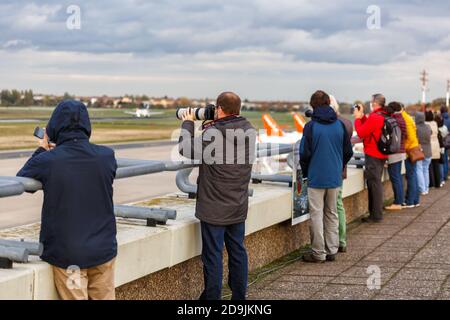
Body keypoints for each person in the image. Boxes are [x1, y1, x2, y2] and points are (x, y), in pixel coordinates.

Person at [17, 100, 118, 300]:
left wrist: (42, 148)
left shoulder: (49, 161)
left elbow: (22, 178)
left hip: (69, 255)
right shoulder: (107, 156)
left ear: (54, 127)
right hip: (104, 250)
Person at [178, 92, 256, 300]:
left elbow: (185, 148)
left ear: (219, 109)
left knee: (213, 256)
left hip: (214, 206)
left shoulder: (213, 134)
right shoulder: (249, 130)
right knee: (237, 252)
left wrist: (188, 123)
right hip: (237, 203)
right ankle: (239, 298)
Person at [300, 91, 353, 263]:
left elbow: (304, 154)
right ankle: (332, 249)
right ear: (329, 103)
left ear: (313, 105)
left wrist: (307, 172)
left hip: (316, 177)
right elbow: (348, 152)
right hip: (334, 177)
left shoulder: (311, 127)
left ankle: (318, 252)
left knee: (316, 215)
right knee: (332, 213)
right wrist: (338, 166)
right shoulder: (339, 125)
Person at [353, 94, 388, 222]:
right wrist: (362, 118)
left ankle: (376, 215)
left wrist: (357, 118)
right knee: (375, 183)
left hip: (373, 154)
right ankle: (375, 213)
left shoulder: (375, 117)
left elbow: (361, 133)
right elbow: (369, 128)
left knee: (374, 184)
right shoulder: (383, 114)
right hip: (381, 153)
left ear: (374, 103)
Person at [329, 95, 353, 253]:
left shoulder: (334, 124)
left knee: (329, 209)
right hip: (341, 169)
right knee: (339, 205)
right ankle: (342, 240)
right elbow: (347, 150)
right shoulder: (347, 123)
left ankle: (334, 241)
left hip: (329, 171)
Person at [385, 102, 407, 211]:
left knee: (395, 177)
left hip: (395, 152)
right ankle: (400, 200)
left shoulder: (395, 120)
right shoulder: (401, 118)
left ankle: (398, 202)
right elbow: (405, 135)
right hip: (401, 151)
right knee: (397, 177)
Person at [402, 105, 421, 208]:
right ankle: (415, 200)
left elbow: (409, 137)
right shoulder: (409, 118)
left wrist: (405, 149)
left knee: (411, 176)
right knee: (413, 175)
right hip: (414, 148)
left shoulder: (405, 119)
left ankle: (410, 201)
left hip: (410, 151)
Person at [415, 112, 432, 195]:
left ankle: (422, 189)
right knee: (426, 170)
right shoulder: (428, 127)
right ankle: (426, 188)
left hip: (420, 151)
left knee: (419, 169)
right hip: (428, 151)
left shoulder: (416, 128)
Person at [426, 110, 442, 188]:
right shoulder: (435, 123)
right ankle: (438, 183)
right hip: (436, 144)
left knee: (429, 166)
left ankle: (431, 183)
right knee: (436, 165)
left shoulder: (426, 124)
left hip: (430, 145)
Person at [436, 114, 448, 187]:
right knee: (444, 161)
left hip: (439, 147)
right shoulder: (445, 127)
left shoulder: (438, 129)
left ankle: (441, 179)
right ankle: (444, 176)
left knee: (440, 164)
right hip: (445, 146)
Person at [441, 106, 450, 180]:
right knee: (447, 158)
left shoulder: (441, 119)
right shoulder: (449, 119)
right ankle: (446, 174)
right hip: (448, 141)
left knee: (443, 159)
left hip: (442, 141)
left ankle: (444, 175)